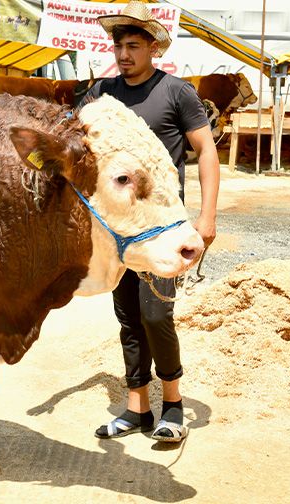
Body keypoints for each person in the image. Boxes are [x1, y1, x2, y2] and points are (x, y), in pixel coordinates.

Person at [81, 1, 219, 443]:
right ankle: (136, 407)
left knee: (156, 314)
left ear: (154, 48)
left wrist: (207, 215)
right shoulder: (100, 93)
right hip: (119, 229)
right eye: (119, 45)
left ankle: (173, 404)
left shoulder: (176, 92)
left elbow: (207, 151)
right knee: (128, 317)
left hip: (162, 228)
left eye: (133, 46)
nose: (123, 54)